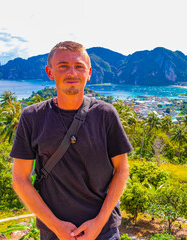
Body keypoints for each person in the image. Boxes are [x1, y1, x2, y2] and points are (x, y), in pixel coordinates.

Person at [11, 41, 132, 240]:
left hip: (103, 231)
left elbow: (121, 169)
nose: (72, 73)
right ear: (50, 72)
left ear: (89, 73)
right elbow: (20, 179)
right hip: (53, 232)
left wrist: (98, 223)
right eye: (63, 66)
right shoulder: (32, 117)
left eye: (79, 67)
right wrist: (56, 226)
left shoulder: (105, 114)